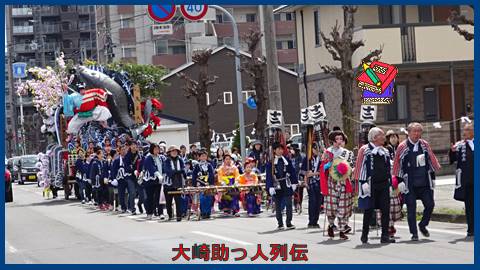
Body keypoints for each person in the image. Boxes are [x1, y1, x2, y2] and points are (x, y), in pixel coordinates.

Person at [393, 122, 441, 241]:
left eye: (419, 131)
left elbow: (431, 162)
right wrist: (399, 181)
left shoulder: (424, 144)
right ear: (408, 133)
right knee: (411, 208)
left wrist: (433, 178)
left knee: (430, 204)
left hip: (424, 181)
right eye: (414, 131)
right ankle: (414, 233)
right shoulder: (402, 146)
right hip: (409, 182)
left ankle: (423, 225)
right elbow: (397, 164)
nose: (417, 134)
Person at [354, 127, 396, 244]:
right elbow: (360, 166)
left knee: (385, 209)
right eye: (381, 135)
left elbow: (389, 167)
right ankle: (364, 234)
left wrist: (391, 183)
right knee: (369, 209)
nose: (384, 138)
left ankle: (385, 235)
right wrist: (362, 183)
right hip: (370, 183)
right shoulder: (365, 149)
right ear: (374, 137)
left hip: (383, 184)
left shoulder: (385, 151)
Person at [321, 129, 354, 240]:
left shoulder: (347, 153)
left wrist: (349, 170)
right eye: (337, 139)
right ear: (332, 141)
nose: (339, 141)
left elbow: (351, 166)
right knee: (332, 206)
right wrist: (329, 164)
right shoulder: (327, 152)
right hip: (331, 181)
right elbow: (322, 168)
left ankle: (341, 229)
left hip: (344, 181)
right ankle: (331, 225)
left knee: (343, 206)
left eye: (341, 139)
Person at [449, 123, 474, 237]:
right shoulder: (460, 145)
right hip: (467, 181)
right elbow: (453, 159)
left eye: (468, 130)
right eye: (464, 130)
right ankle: (471, 229)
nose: (465, 132)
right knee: (469, 206)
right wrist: (453, 151)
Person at [266, 142, 298, 230]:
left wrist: (294, 182)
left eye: (281, 149)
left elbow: (292, 172)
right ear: (274, 150)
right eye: (278, 149)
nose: (280, 151)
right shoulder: (270, 162)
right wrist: (270, 186)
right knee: (278, 205)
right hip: (276, 184)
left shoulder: (287, 160)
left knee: (288, 204)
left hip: (286, 183)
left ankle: (289, 222)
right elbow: (269, 175)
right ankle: (280, 223)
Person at [381, 129, 403, 237]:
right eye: (391, 137)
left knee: (397, 201)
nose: (394, 139)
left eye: (395, 137)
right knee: (390, 203)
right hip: (389, 179)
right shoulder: (387, 150)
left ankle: (391, 223)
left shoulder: (399, 148)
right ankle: (389, 226)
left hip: (397, 178)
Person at [299, 142, 323, 229]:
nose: (316, 150)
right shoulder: (307, 159)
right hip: (310, 182)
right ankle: (311, 221)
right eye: (315, 148)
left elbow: (323, 171)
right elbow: (303, 172)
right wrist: (313, 174)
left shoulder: (321, 159)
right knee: (312, 201)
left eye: (318, 149)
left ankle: (316, 221)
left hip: (320, 182)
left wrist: (314, 173)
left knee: (319, 202)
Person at [164, 145, 187, 222]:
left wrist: (182, 172)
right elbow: (168, 172)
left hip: (178, 183)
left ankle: (178, 216)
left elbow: (183, 170)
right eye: (172, 151)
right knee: (169, 202)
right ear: (169, 153)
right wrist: (179, 171)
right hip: (168, 184)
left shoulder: (180, 160)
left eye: (176, 151)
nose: (174, 152)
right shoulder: (166, 161)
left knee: (178, 201)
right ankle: (170, 215)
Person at [141, 143, 164, 220]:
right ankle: (149, 213)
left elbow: (163, 166)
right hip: (150, 180)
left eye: (158, 149)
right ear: (152, 149)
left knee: (159, 197)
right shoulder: (148, 157)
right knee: (150, 197)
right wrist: (157, 174)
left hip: (159, 180)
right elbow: (151, 168)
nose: (157, 150)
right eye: (155, 149)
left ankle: (161, 213)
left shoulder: (161, 157)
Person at [192, 149, 215, 219]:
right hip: (200, 185)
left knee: (209, 198)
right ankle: (203, 213)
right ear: (199, 157)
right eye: (202, 156)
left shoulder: (209, 165)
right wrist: (195, 184)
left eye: (205, 156)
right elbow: (194, 176)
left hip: (208, 184)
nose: (203, 157)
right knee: (202, 199)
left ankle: (208, 213)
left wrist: (211, 183)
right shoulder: (197, 166)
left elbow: (211, 175)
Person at [217, 151, 241, 216]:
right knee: (224, 195)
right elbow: (219, 176)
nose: (228, 160)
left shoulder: (234, 167)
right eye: (226, 159)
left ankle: (235, 210)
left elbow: (237, 175)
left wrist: (236, 181)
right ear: (224, 160)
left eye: (229, 159)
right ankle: (226, 210)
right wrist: (222, 182)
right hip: (224, 183)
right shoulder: (221, 168)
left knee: (234, 194)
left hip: (232, 183)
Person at [111, 145, 133, 213]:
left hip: (129, 178)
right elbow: (113, 170)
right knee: (121, 194)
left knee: (131, 193)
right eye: (122, 149)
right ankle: (123, 207)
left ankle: (130, 207)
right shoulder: (117, 160)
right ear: (119, 151)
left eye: (125, 149)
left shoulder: (129, 159)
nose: (124, 151)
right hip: (120, 179)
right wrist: (114, 179)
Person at [290, 145, 304, 214]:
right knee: (294, 191)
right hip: (292, 177)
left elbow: (300, 167)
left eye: (292, 149)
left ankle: (299, 204)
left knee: (300, 191)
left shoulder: (300, 157)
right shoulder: (290, 157)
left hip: (299, 176)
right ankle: (295, 204)